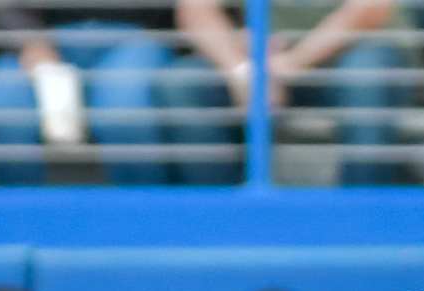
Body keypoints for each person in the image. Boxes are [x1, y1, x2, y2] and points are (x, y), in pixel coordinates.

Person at [163, 0, 406, 186]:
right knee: (184, 83)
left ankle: (359, 220)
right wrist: (241, 70)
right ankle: (221, 221)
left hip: (351, 52)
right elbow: (196, 11)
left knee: (365, 75)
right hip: (264, 59)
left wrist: (290, 64)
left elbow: (370, 10)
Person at [0, 4, 188, 186]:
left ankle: (142, 218)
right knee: (2, 104)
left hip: (137, 33)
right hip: (40, 35)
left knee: (123, 110)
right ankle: (18, 223)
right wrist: (30, 42)